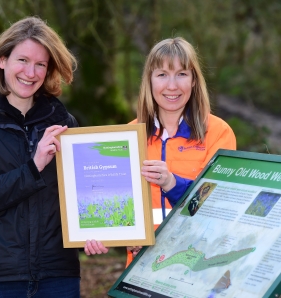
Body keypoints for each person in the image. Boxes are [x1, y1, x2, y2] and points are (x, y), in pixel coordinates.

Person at [0, 16, 106, 298]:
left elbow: (83, 195)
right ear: (2, 60)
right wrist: (33, 168)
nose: (30, 72)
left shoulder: (65, 124)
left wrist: (99, 229)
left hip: (58, 278)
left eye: (40, 64)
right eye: (22, 60)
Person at [85, 37, 236, 265]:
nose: (172, 86)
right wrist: (104, 233)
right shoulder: (128, 136)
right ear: (150, 81)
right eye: (162, 74)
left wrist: (172, 183)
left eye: (182, 74)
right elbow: (116, 209)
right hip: (142, 266)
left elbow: (219, 205)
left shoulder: (218, 132)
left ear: (194, 80)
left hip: (197, 263)